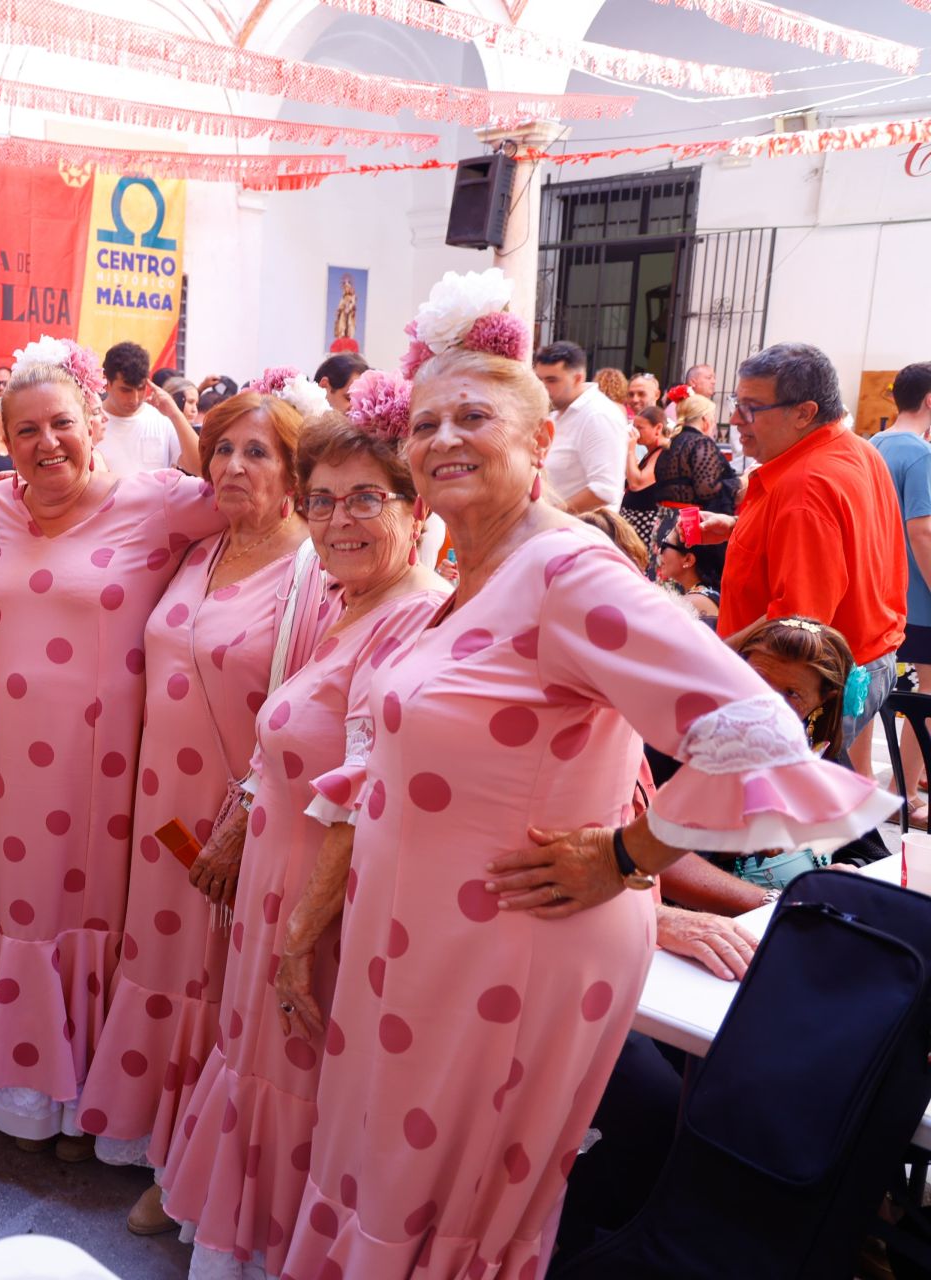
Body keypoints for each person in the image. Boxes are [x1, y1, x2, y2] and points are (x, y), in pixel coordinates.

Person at [274, 280, 886, 1279]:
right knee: (396, 1175)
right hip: (422, 942)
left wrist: (625, 856)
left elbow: (756, 723)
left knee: (446, 1193)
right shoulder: (477, 567)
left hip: (508, 949)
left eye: (475, 415)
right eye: (426, 421)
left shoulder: (566, 570)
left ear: (542, 435)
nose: (442, 438)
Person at [160, 397, 450, 1277]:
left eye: (365, 499)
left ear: (417, 510)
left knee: (298, 1083)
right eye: (321, 500)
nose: (337, 520)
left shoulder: (412, 617)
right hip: (277, 884)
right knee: (262, 1067)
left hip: (320, 908)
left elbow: (369, 802)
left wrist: (298, 941)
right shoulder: (348, 600)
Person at [0, 337, 224, 1153]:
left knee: (96, 912)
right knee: (23, 905)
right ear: (5, 438)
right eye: (25, 431)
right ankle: (29, 1090)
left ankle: (87, 1097)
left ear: (94, 422)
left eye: (61, 424)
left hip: (107, 771)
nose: (46, 444)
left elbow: (257, 498)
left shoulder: (158, 501)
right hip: (5, 766)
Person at [79, 391, 329, 1234]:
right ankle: (148, 1129)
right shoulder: (201, 547)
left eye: (258, 454)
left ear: (295, 473)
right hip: (160, 808)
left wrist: (239, 821)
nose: (231, 467)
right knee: (161, 963)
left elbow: (313, 713)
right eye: (222, 450)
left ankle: (190, 1165)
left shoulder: (315, 573)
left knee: (220, 982)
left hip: (240, 822)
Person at [700, 343, 906, 771]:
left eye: (751, 408)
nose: (736, 419)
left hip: (804, 679)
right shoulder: (855, 449)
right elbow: (836, 543)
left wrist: (708, 655)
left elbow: (797, 622)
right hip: (861, 662)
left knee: (766, 811)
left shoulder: (805, 486)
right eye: (737, 404)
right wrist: (740, 530)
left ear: (804, 412)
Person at [658, 617, 865, 912]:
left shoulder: (818, 751)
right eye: (755, 681)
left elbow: (864, 848)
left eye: (791, 693)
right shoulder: (686, 741)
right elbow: (648, 859)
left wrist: (848, 872)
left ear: (823, 700)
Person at [870, 360, 931, 814]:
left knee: (868, 691)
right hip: (917, 596)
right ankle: (901, 794)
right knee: (927, 693)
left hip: (878, 591)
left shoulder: (873, 445)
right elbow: (922, 531)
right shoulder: (921, 453)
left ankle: (866, 790)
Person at [534, 341, 626, 515]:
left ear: (578, 378)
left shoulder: (598, 415)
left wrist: (549, 515)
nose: (543, 387)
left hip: (581, 532)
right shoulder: (557, 414)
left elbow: (603, 490)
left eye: (552, 380)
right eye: (540, 380)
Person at [97, 340, 201, 475]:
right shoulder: (91, 422)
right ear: (106, 382)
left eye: (141, 389)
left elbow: (199, 467)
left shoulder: (162, 419)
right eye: (125, 390)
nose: (134, 399)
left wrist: (175, 414)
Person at [647, 390, 737, 517]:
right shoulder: (701, 443)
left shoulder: (671, 443)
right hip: (690, 523)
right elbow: (706, 490)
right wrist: (738, 483)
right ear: (705, 419)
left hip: (664, 519)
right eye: (713, 418)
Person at [655, 511, 725, 620]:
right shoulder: (708, 594)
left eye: (665, 545)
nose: (659, 551)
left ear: (688, 560)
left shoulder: (691, 604)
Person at [619, 405, 668, 546]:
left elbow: (636, 483)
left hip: (644, 523)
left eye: (640, 428)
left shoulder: (662, 452)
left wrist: (630, 450)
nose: (636, 432)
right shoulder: (650, 452)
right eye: (634, 427)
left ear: (658, 428)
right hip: (635, 520)